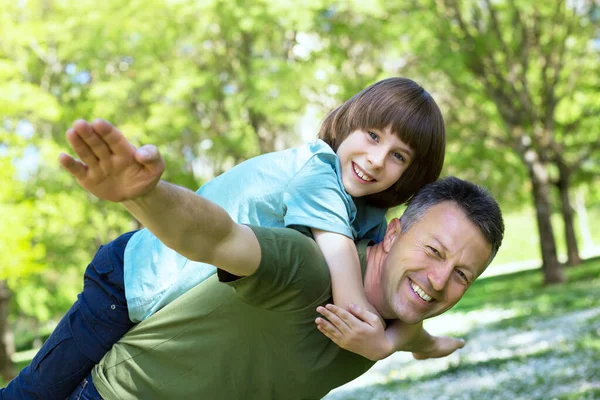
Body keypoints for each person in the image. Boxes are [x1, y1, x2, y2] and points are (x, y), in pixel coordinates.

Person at [2, 78, 449, 400]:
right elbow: (352, 292)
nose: (374, 160)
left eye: (397, 156)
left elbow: (396, 295)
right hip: (130, 282)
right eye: (372, 136)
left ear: (411, 174)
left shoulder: (369, 216)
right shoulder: (318, 171)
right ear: (348, 124)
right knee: (38, 391)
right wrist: (384, 340)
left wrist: (414, 342)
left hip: (169, 312)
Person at [53, 123, 503, 399]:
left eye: (462, 274)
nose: (440, 280)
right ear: (394, 231)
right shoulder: (310, 262)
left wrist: (440, 345)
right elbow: (215, 235)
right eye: (434, 251)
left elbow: (418, 338)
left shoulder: (391, 324)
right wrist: (147, 196)